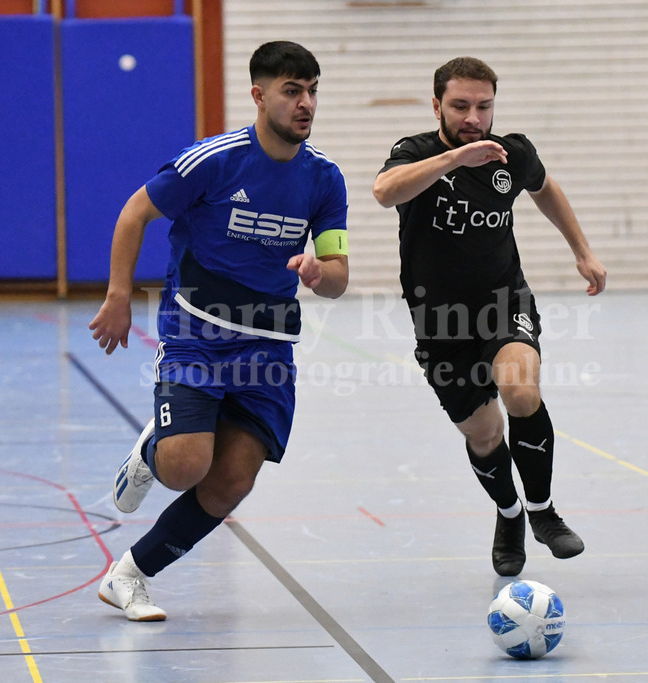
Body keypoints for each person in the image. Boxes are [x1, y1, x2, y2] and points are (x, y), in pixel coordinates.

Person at [88, 41, 348, 620]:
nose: (305, 103)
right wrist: (118, 296)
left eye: (312, 91)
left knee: (231, 480)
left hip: (267, 347)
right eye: (291, 91)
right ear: (259, 95)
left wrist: (318, 271)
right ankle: (153, 450)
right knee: (185, 466)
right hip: (196, 333)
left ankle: (128, 576)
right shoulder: (212, 161)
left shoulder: (325, 180)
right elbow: (135, 213)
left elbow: (338, 277)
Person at [372, 56, 606, 577]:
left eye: (483, 106)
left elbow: (546, 189)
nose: (473, 117)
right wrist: (456, 159)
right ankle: (509, 514)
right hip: (439, 321)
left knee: (520, 391)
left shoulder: (512, 153)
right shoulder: (415, 153)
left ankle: (543, 511)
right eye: (460, 106)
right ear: (437, 106)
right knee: (482, 433)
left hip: (503, 301)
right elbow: (385, 192)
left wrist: (582, 250)